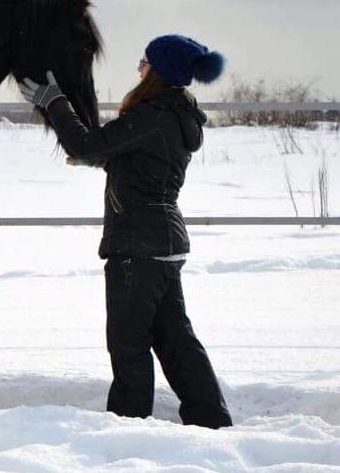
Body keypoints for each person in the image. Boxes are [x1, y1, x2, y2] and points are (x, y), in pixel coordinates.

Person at [20, 34, 233, 429]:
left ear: (159, 71)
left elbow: (86, 144)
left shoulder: (153, 115)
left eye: (144, 62)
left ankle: (128, 426)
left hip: (139, 246)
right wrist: (99, 159)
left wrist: (54, 102)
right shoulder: (173, 114)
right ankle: (211, 420)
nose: (139, 68)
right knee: (175, 341)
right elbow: (127, 159)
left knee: (128, 342)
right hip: (162, 242)